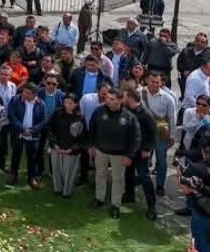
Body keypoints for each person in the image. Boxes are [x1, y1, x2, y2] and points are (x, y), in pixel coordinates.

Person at [88, 88, 140, 217]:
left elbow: (136, 137)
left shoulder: (129, 117)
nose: (108, 101)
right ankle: (99, 198)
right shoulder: (99, 111)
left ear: (121, 100)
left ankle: (115, 204)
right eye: (107, 98)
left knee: (118, 179)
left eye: (112, 99)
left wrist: (130, 155)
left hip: (119, 154)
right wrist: (91, 145)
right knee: (100, 174)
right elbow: (92, 128)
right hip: (101, 151)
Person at [121, 88, 159, 220]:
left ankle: (151, 206)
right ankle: (129, 194)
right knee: (129, 172)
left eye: (125, 96)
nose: (123, 98)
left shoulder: (145, 114)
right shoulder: (127, 110)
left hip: (142, 151)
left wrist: (147, 149)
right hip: (130, 149)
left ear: (131, 97)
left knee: (144, 177)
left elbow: (153, 133)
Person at [8, 82, 46, 189]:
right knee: (16, 153)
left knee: (32, 156)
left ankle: (32, 177)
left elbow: (43, 120)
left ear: (35, 95)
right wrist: (22, 129)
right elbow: (12, 116)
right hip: (19, 132)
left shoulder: (41, 104)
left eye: (29, 93)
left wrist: (33, 130)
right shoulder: (15, 100)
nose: (25, 95)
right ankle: (13, 173)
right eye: (24, 92)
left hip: (33, 135)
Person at [47, 92, 86, 197]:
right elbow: (50, 129)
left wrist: (72, 149)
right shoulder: (57, 113)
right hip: (57, 146)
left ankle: (67, 191)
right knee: (56, 169)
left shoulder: (80, 118)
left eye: (70, 103)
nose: (67, 105)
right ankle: (57, 188)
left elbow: (82, 137)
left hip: (71, 150)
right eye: (66, 102)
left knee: (69, 171)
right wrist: (54, 144)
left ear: (76, 104)